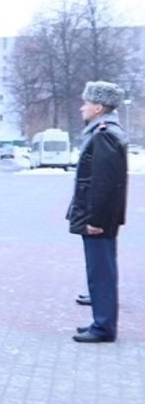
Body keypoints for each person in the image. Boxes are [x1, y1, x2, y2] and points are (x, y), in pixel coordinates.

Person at [68, 81, 128, 343]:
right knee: (101, 270)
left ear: (99, 107)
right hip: (100, 217)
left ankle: (103, 327)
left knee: (101, 272)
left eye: (87, 103)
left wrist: (96, 219)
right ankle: (100, 320)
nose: (82, 107)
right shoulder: (104, 132)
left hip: (98, 219)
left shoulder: (103, 134)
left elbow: (104, 183)